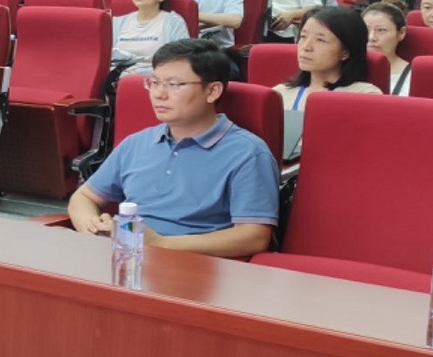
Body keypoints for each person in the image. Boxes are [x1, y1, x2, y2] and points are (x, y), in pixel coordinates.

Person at [68, 39, 279, 258]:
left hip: (195, 266)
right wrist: (92, 227)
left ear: (212, 91)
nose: (159, 94)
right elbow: (84, 197)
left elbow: (255, 237)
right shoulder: (136, 143)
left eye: (174, 84)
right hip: (126, 258)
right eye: (154, 83)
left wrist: (161, 243)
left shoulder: (248, 153)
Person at [276, 7, 384, 156]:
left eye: (320, 40)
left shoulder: (364, 96)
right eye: (303, 36)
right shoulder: (279, 94)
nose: (306, 47)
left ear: (345, 52)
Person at [111, 0, 190, 74]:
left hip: (155, 77)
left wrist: (138, 73)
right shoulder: (118, 22)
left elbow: (181, 60)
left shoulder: (173, 22)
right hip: (117, 76)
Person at [363, 1, 411, 95]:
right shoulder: (341, 71)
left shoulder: (412, 76)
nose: (371, 37)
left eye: (381, 30)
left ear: (401, 33)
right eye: (365, 30)